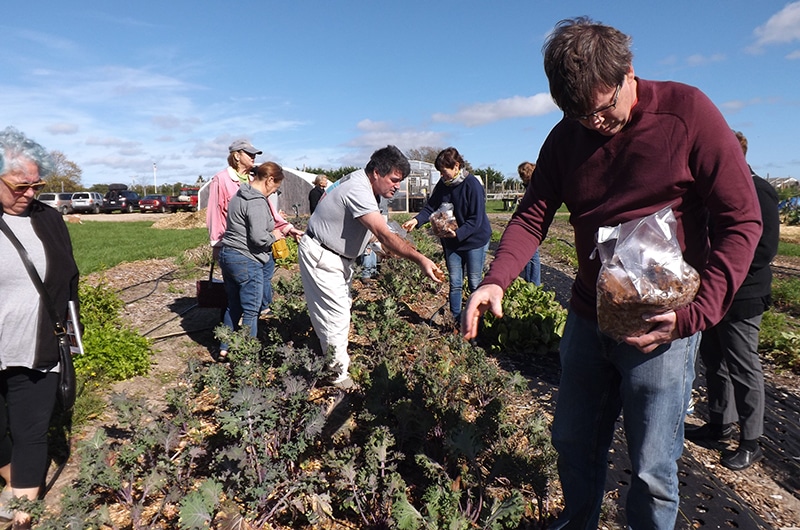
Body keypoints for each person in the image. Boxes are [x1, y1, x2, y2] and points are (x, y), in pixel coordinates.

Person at [461, 17, 762, 529]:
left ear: (628, 73)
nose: (595, 124)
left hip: (661, 324)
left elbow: (742, 219)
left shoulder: (687, 113)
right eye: (579, 115)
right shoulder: (566, 137)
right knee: (574, 441)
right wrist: (496, 278)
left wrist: (697, 313)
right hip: (587, 315)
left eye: (602, 109)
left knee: (651, 466)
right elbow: (534, 213)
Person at [298, 145, 443, 388]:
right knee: (336, 317)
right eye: (394, 180)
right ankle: (338, 377)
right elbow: (383, 233)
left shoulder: (369, 189)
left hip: (336, 257)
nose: (397, 186)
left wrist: (381, 249)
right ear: (376, 172)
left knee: (341, 311)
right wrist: (420, 258)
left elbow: (371, 235)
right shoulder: (358, 189)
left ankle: (332, 361)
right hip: (322, 256)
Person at [685, 130, 779, 471]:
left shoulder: (759, 190)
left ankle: (751, 441)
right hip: (712, 293)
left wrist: (724, 269)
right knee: (714, 360)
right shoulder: (713, 191)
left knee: (743, 365)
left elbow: (765, 248)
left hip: (743, 294)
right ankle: (719, 423)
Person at [0, 127, 80, 529]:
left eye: (37, 184)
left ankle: (22, 516)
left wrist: (69, 331)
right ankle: (11, 478)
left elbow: (69, 279)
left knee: (31, 432)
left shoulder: (48, 219)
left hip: (37, 347)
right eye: (20, 186)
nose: (30, 193)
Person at [402, 147, 491, 324]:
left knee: (474, 282)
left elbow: (476, 219)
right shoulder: (443, 185)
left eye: (444, 171)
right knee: (455, 283)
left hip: (474, 241)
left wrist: (457, 233)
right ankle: (456, 322)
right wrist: (416, 220)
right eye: (440, 172)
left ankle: (476, 323)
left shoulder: (472, 185)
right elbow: (430, 207)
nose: (442, 175)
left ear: (456, 166)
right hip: (451, 242)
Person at [218, 161, 289, 340]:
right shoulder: (256, 202)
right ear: (269, 180)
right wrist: (275, 235)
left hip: (229, 255)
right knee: (251, 310)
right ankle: (246, 356)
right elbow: (258, 238)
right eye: (275, 187)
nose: (274, 191)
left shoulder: (239, 195)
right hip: (246, 259)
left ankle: (225, 347)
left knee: (233, 305)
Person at [206, 139, 261, 360]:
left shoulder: (251, 179)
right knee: (243, 301)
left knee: (239, 300)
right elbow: (214, 214)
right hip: (233, 247)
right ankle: (236, 349)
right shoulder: (221, 179)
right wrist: (217, 244)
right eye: (250, 154)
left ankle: (226, 346)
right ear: (236, 155)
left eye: (255, 154)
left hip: (252, 246)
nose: (254, 157)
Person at [517, 161, 541, 285]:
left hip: (534, 222)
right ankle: (529, 280)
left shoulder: (536, 186)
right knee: (529, 254)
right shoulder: (530, 186)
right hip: (528, 220)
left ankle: (534, 282)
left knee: (533, 254)